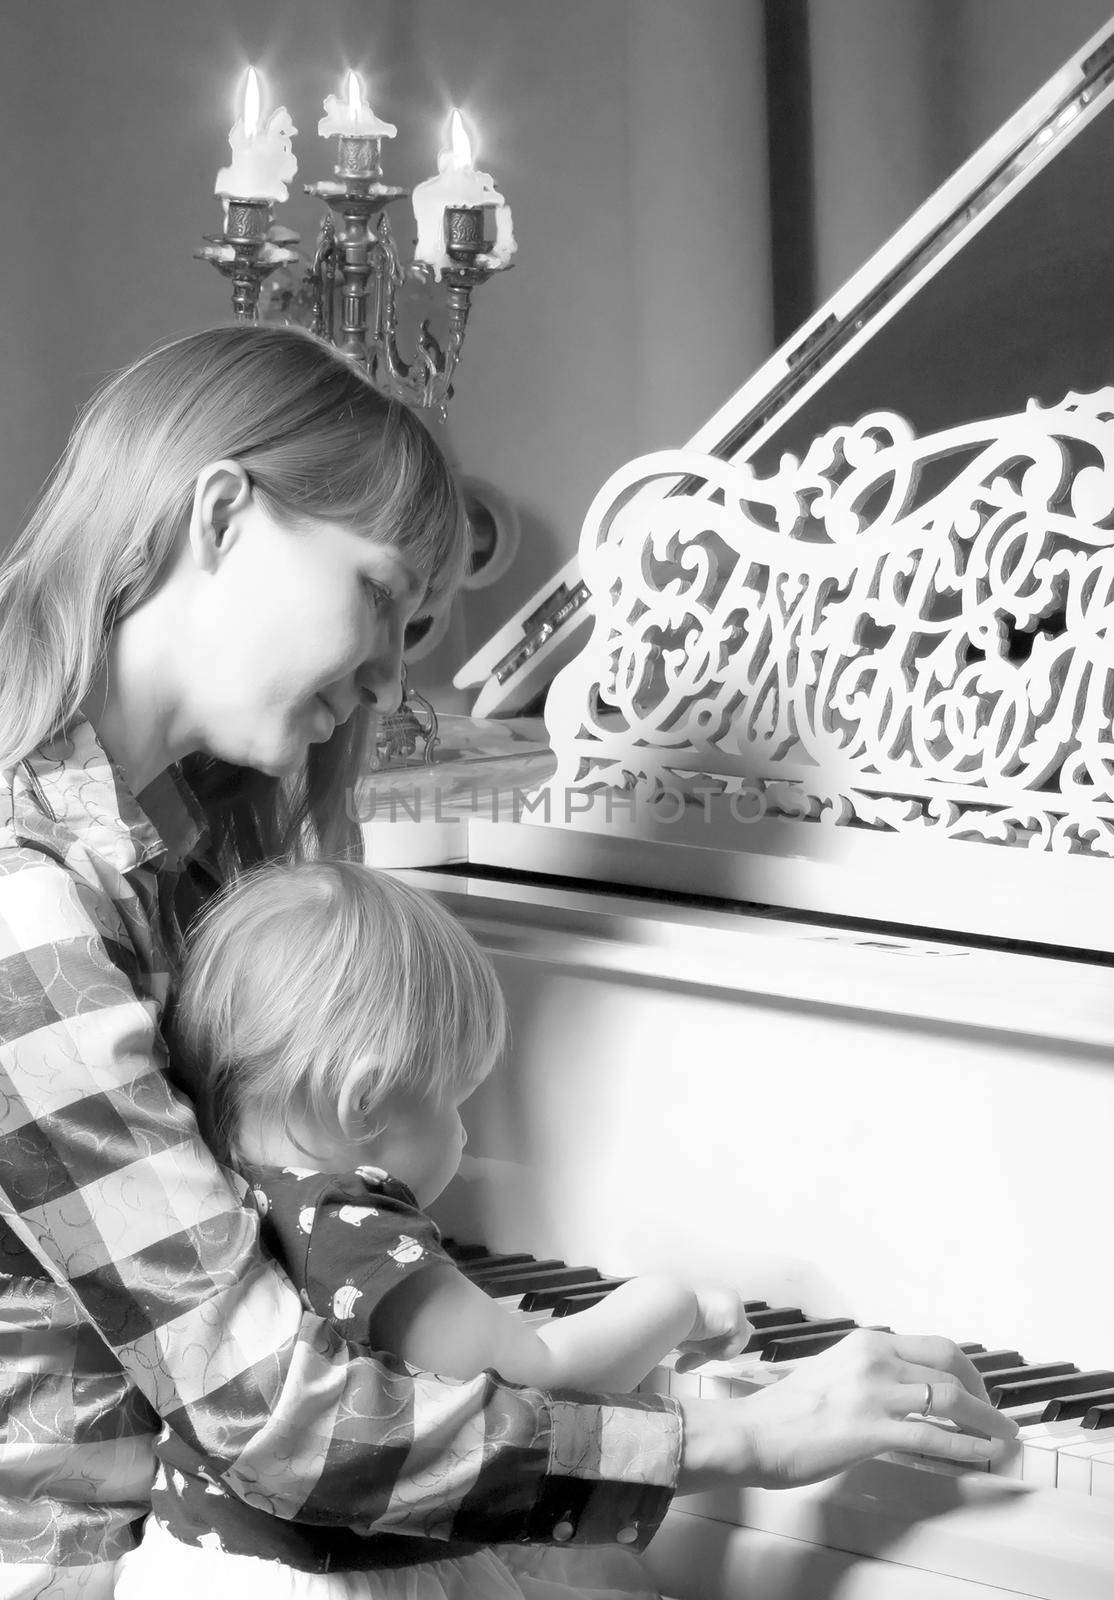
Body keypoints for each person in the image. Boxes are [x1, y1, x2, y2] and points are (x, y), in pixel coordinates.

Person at [0, 324, 1019, 1600]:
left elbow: (327, 1311)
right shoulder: (27, 909)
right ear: (220, 515)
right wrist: (739, 1434)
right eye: (379, 594)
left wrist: (617, 1370)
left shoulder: (188, 866)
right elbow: (280, 1415)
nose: (388, 675)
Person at [116, 856, 756, 1596]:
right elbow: (535, 1381)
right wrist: (669, 1305)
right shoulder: (352, 1226)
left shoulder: (217, 1195)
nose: (463, 1136)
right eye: (456, 1102)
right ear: (362, 1103)